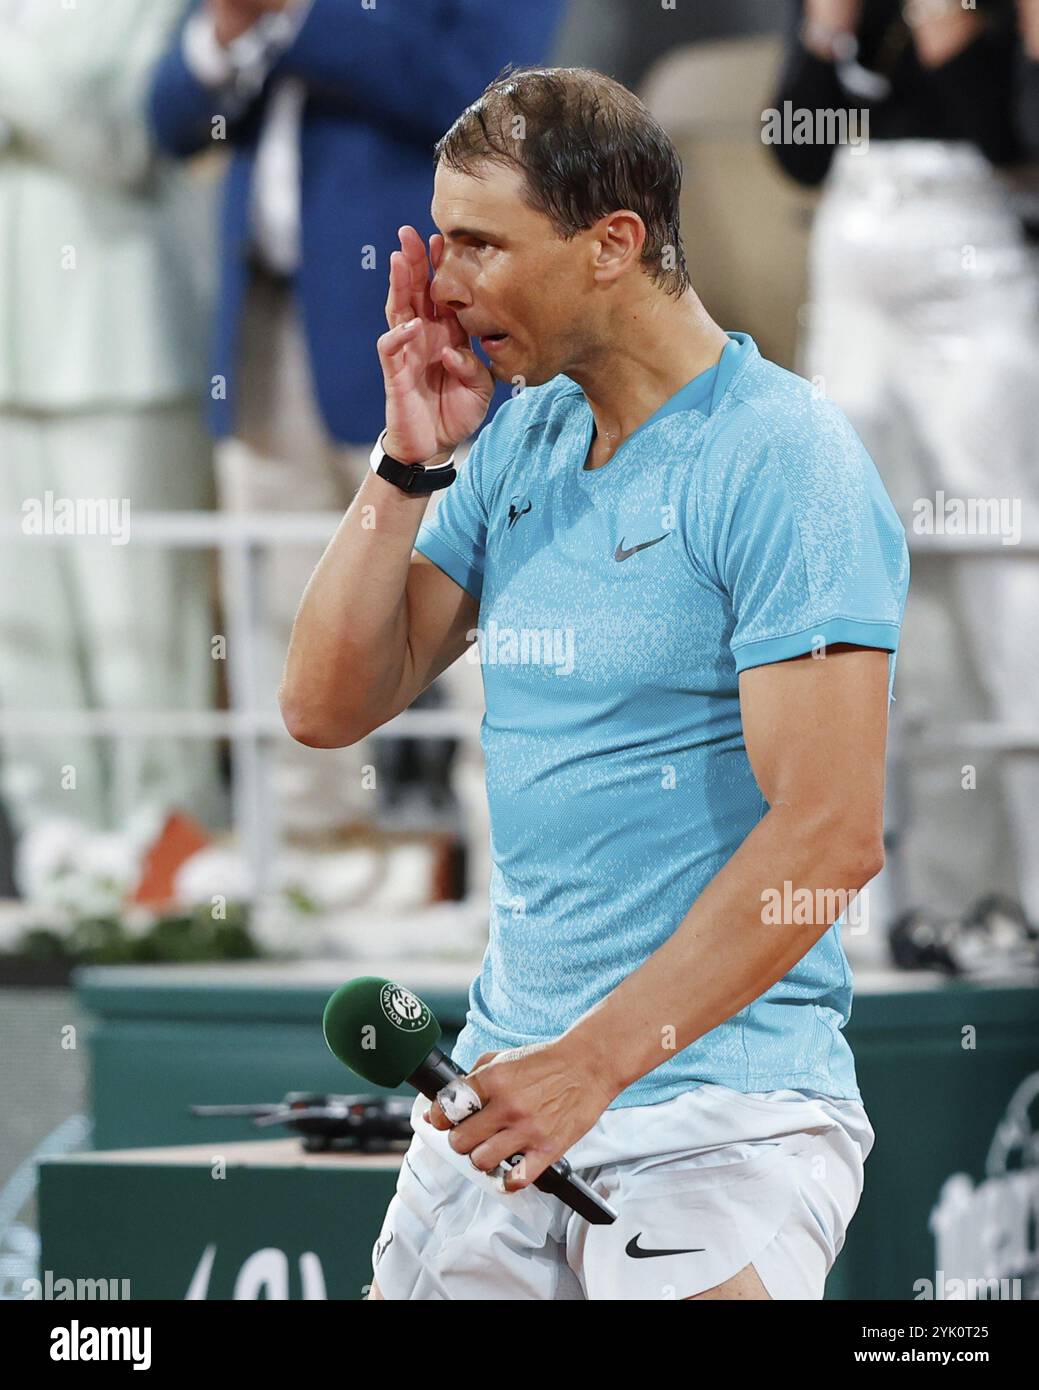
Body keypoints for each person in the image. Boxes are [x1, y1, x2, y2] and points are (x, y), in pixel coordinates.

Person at [279, 65, 910, 1300]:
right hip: (504, 1103)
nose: (442, 286)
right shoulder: (520, 432)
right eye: (438, 244)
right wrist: (407, 463)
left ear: (613, 243)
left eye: (478, 246)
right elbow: (325, 706)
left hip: (719, 1108)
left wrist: (597, 1062)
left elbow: (829, 839)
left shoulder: (784, 458)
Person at [149, 0, 565, 850]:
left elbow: (497, 101)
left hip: (434, 340)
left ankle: (505, 881)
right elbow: (169, 119)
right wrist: (228, 31)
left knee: (477, 625)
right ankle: (308, 865)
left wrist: (296, 18)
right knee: (284, 614)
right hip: (267, 327)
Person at [770, 0, 1039, 924]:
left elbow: (1015, 133)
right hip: (852, 267)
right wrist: (823, 29)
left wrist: (948, 30)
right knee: (851, 557)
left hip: (978, 261)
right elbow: (793, 149)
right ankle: (882, 907)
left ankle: (1029, 880)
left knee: (1005, 561)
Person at [0, 0, 224, 840]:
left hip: (118, 348)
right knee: (20, 643)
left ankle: (166, 850)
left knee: (140, 635)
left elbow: (121, 141)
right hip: (10, 361)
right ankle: (58, 848)